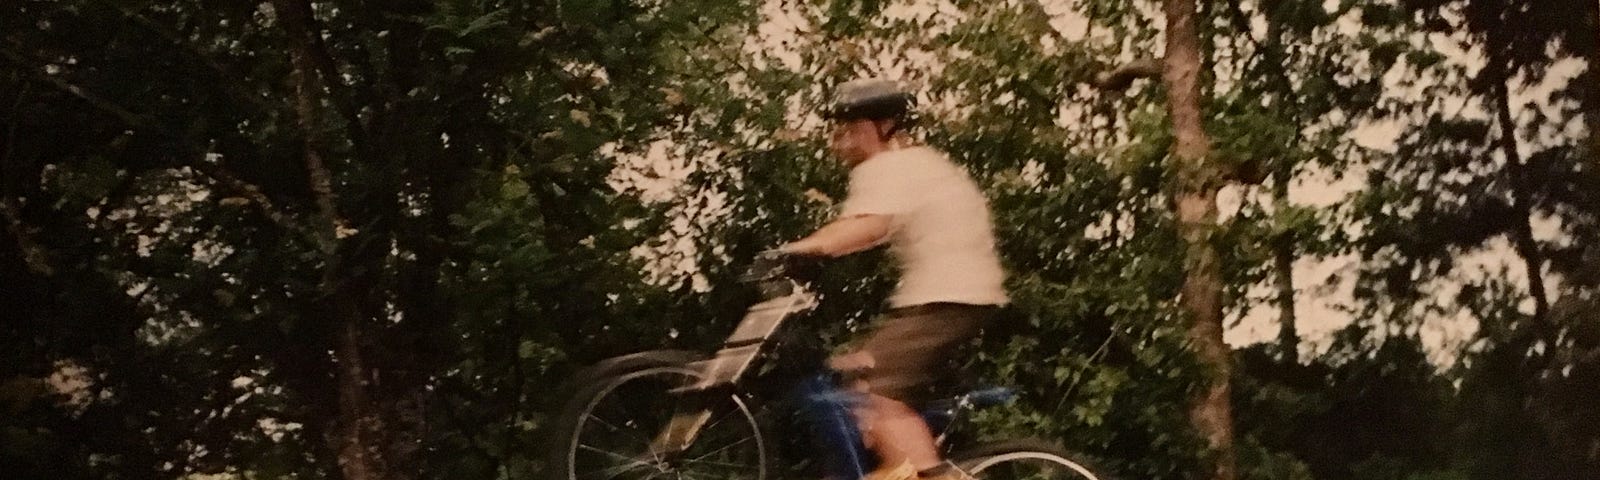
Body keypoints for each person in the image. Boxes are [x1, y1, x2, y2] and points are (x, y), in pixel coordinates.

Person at [779, 78, 1009, 480]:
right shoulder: (915, 164)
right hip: (947, 294)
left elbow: (866, 227)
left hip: (950, 296)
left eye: (849, 129)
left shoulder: (891, 165)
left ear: (879, 127)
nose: (839, 142)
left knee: (883, 391)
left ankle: (926, 474)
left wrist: (799, 249)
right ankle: (899, 462)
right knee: (855, 376)